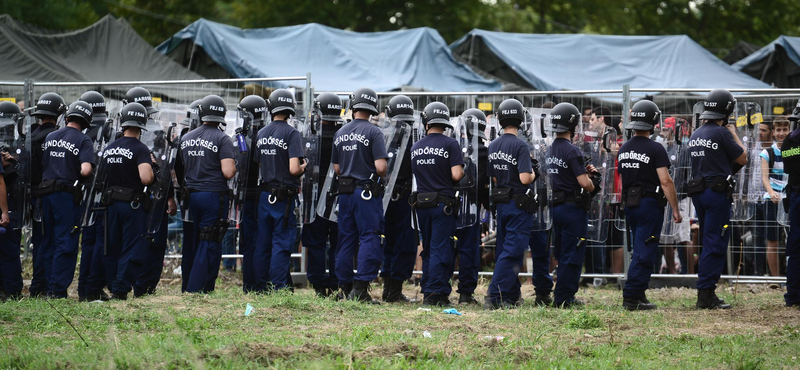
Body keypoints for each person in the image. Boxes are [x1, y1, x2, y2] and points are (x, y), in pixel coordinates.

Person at [617, 100, 681, 310]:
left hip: (630, 204)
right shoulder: (656, 149)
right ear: (653, 122)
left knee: (640, 248)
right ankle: (632, 297)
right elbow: (665, 181)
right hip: (649, 205)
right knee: (644, 251)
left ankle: (640, 292)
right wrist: (675, 208)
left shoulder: (624, 148)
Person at [686, 89, 747, 309]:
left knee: (707, 239)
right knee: (716, 241)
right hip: (716, 194)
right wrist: (734, 133)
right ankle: (706, 294)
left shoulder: (696, 133)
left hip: (699, 193)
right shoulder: (721, 133)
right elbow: (742, 157)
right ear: (727, 110)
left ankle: (705, 290)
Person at [332, 87, 388, 303]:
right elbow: (381, 167)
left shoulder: (340, 133)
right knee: (369, 237)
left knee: (346, 239)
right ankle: (361, 289)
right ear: (373, 108)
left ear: (352, 106)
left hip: (344, 193)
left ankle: (344, 287)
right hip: (366, 193)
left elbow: (337, 168)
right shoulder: (374, 132)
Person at [37, 100, 95, 298]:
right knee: (66, 241)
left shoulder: (51, 136)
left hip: (45, 193)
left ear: (67, 116)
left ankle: (45, 286)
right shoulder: (84, 140)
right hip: (66, 197)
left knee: (48, 240)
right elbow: (86, 169)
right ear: (87, 122)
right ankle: (56, 290)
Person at [179, 94, 236, 293]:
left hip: (192, 196)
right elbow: (228, 172)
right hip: (214, 195)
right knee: (209, 240)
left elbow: (181, 168)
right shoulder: (223, 139)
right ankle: (197, 288)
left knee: (197, 240)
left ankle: (197, 285)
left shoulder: (186, 137)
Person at [97, 103, 154, 300]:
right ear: (142, 124)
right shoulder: (141, 149)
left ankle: (113, 285)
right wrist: (153, 168)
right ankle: (120, 290)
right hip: (132, 205)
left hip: (110, 204)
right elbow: (146, 178)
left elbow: (101, 176)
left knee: (112, 245)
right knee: (131, 246)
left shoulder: (110, 148)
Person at [484, 98, 536, 310]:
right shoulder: (520, 146)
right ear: (521, 119)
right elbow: (525, 178)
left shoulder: (493, 145)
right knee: (513, 251)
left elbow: (493, 177)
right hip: (518, 204)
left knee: (506, 248)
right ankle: (493, 296)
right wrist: (534, 172)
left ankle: (511, 296)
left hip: (501, 202)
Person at [547, 102, 600, 308]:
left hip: (555, 206)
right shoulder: (573, 151)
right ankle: (564, 297)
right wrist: (592, 178)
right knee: (573, 252)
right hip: (572, 208)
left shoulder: (550, 149)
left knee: (560, 251)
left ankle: (559, 293)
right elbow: (584, 184)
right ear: (573, 125)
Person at [411, 102, 464, 306]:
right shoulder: (450, 144)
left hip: (422, 203)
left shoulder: (416, 147)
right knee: (441, 247)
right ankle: (434, 293)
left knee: (428, 247)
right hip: (443, 204)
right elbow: (456, 174)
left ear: (426, 122)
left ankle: (431, 288)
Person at [254, 89, 306, 292]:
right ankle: (279, 287)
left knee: (263, 242)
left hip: (265, 194)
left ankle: (260, 285)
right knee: (282, 243)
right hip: (284, 197)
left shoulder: (262, 133)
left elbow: (260, 163)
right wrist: (304, 167)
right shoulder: (291, 133)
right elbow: (294, 168)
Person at [303, 92, 342, 297]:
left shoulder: (308, 135)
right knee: (338, 241)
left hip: (314, 195)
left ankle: (318, 285)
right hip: (338, 195)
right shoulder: (344, 135)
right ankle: (336, 282)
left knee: (316, 242)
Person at [27, 92, 65, 297]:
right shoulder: (57, 137)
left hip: (33, 194)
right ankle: (45, 284)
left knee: (40, 240)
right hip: (51, 195)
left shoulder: (31, 136)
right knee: (50, 240)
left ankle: (38, 284)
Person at [381, 95, 418, 303]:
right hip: (404, 197)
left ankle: (390, 289)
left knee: (389, 241)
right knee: (403, 243)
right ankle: (393, 291)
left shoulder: (382, 135)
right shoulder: (415, 136)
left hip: (387, 196)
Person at [454, 108, 489, 305]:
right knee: (469, 250)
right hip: (473, 209)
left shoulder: (454, 146)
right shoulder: (485, 151)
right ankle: (465, 294)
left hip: (451, 206)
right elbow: (486, 183)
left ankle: (436, 290)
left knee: (446, 248)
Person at [77, 90, 110, 301]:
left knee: (89, 242)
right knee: (100, 241)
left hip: (83, 192)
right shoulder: (108, 129)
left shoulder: (81, 131)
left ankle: (85, 289)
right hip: (102, 193)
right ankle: (93, 288)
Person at [237, 94, 268, 293]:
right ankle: (259, 283)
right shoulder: (265, 135)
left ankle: (252, 284)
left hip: (250, 195)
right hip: (260, 195)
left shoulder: (247, 138)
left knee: (249, 242)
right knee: (261, 240)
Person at [759, 117, 789, 276]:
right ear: (774, 132)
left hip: (790, 197)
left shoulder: (794, 149)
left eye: (785, 130)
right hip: (772, 198)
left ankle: (791, 276)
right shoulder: (767, 152)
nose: (782, 133)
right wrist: (771, 192)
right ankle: (775, 278)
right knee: (772, 241)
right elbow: (764, 177)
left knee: (792, 239)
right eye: (778, 130)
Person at [780, 99, 800, 309]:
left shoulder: (790, 140)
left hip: (796, 195)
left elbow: (789, 168)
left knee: (795, 247)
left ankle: (793, 295)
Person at [0, 101, 20, 301]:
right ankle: (11, 290)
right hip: (5, 206)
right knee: (8, 249)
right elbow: (0, 184)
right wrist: (5, 212)